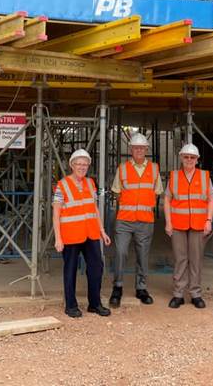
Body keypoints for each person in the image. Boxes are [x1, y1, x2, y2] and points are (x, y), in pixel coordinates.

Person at [53, 149, 112, 318]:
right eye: (79, 164)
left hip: (91, 234)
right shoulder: (62, 185)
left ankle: (95, 304)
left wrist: (102, 231)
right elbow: (56, 214)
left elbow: (94, 208)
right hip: (70, 235)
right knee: (70, 270)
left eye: (85, 164)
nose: (82, 167)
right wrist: (58, 238)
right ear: (72, 165)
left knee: (96, 268)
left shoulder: (90, 183)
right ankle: (70, 306)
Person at [109, 132, 163, 307]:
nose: (139, 150)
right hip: (124, 220)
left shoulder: (154, 169)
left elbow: (157, 192)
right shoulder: (122, 168)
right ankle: (117, 286)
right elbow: (117, 192)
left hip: (145, 220)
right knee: (121, 252)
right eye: (135, 147)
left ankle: (141, 288)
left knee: (143, 255)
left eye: (142, 147)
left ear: (146, 149)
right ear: (131, 149)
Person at [163, 143, 213, 309]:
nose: (189, 160)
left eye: (192, 157)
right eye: (186, 157)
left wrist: (209, 220)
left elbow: (211, 200)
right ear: (181, 158)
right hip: (178, 224)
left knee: (196, 259)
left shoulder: (205, 176)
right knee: (180, 259)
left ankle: (195, 293)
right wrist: (168, 222)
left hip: (199, 225)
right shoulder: (175, 176)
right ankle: (178, 294)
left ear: (197, 160)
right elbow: (167, 200)